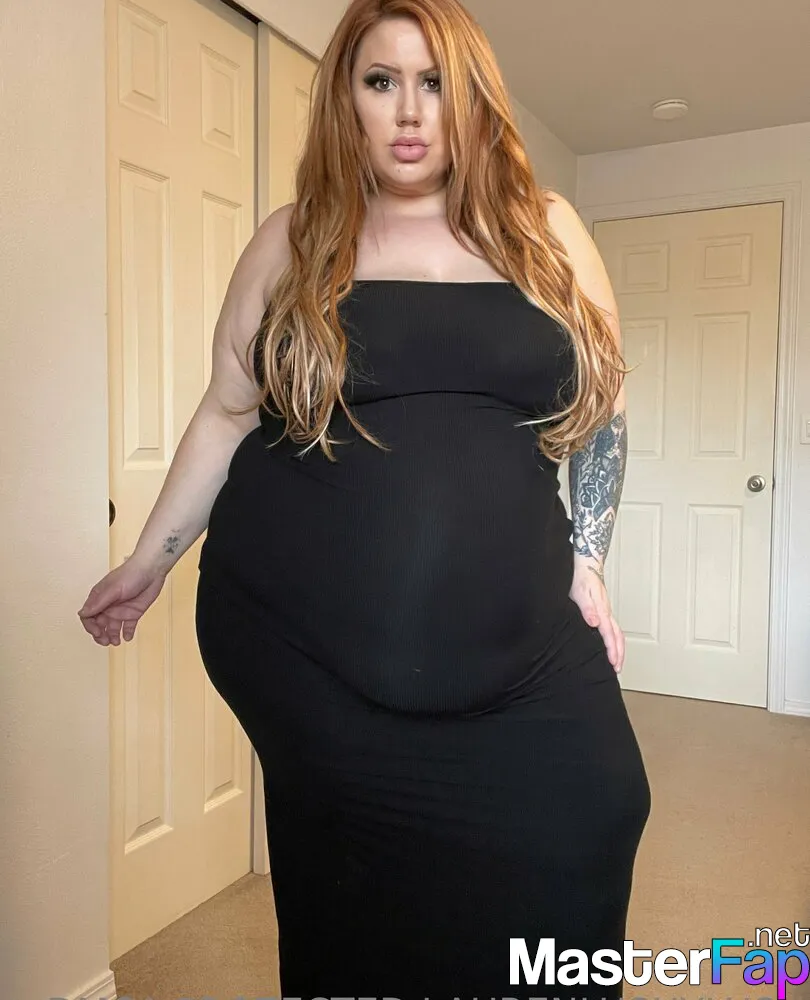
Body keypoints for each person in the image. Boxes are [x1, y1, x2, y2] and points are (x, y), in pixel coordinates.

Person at [79, 0, 651, 995]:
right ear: (346, 99)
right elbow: (227, 412)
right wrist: (148, 562)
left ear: (474, 99)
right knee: (354, 912)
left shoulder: (546, 231)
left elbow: (602, 409)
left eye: (436, 83)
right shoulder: (294, 242)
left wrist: (588, 558)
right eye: (381, 82)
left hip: (520, 655)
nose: (410, 112)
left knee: (594, 816)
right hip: (310, 658)